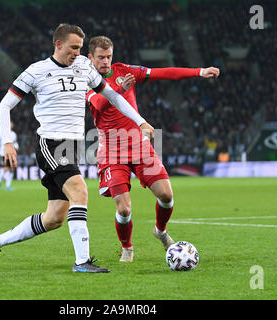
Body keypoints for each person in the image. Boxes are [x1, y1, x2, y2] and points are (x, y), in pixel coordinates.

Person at [0, 24, 154, 273]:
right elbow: (4, 106)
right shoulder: (36, 71)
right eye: (73, 47)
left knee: (54, 218)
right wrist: (7, 141)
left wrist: (141, 121)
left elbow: (113, 96)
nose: (78, 53)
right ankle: (82, 262)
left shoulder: (84, 66)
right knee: (80, 192)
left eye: (80, 48)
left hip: (73, 147)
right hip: (51, 143)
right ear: (58, 45)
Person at [85, 36, 219, 262]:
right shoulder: (85, 81)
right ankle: (127, 247)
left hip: (139, 145)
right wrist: (119, 87)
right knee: (124, 209)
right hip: (111, 151)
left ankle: (160, 230)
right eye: (100, 57)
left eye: (108, 56)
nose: (105, 61)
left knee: (166, 195)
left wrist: (199, 71)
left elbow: (163, 73)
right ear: (90, 58)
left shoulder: (125, 71)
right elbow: (99, 103)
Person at [0, 121, 19, 191]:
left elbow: (15, 142)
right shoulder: (1, 133)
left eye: (12, 124)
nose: (11, 125)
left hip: (11, 153)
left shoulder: (13, 134)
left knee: (11, 169)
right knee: (6, 168)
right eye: (10, 123)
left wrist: (17, 147)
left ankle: (7, 186)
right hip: (3, 153)